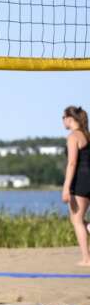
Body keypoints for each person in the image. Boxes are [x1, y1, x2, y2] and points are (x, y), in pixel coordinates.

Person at [61, 105, 90, 266]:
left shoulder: (73, 137)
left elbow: (72, 163)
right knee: (79, 219)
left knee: (77, 220)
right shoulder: (88, 136)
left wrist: (66, 187)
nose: (62, 121)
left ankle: (87, 259)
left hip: (80, 181)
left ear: (70, 119)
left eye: (63, 118)